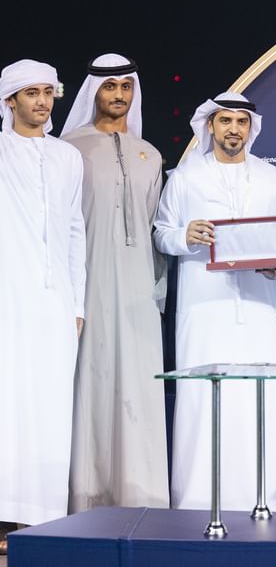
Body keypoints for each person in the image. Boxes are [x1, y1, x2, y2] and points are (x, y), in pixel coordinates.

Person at [153, 91, 276, 510]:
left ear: (251, 128)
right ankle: (196, 501)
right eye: (225, 121)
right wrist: (185, 235)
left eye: (241, 122)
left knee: (260, 399)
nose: (234, 129)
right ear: (211, 126)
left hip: (260, 310)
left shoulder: (272, 178)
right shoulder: (186, 177)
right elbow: (162, 233)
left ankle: (262, 498)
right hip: (204, 312)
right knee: (203, 400)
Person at [61, 53, 169, 512]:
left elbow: (154, 230)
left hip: (138, 293)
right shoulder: (69, 149)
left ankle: (141, 497)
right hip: (86, 290)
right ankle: (85, 498)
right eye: (110, 87)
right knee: (90, 385)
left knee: (138, 387)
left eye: (126, 87)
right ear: (94, 92)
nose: (119, 95)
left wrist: (156, 295)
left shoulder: (151, 155)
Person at [0, 60, 85, 552]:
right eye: (31, 92)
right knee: (8, 405)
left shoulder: (66, 157)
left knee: (52, 406)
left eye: (48, 92)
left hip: (57, 303)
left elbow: (74, 231)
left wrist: (77, 303)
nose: (42, 101)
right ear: (10, 100)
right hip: (8, 298)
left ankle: (43, 521)